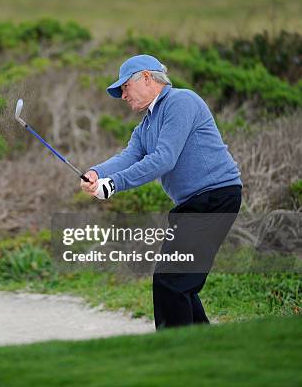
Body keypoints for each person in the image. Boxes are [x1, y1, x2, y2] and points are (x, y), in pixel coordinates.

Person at [80, 54, 242, 329]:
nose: (122, 95)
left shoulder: (181, 101)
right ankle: (206, 347)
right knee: (178, 281)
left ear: (146, 77)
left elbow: (164, 158)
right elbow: (129, 156)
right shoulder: (146, 125)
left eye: (124, 87)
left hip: (215, 197)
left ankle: (176, 354)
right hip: (192, 204)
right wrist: (98, 173)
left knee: (172, 280)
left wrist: (114, 184)